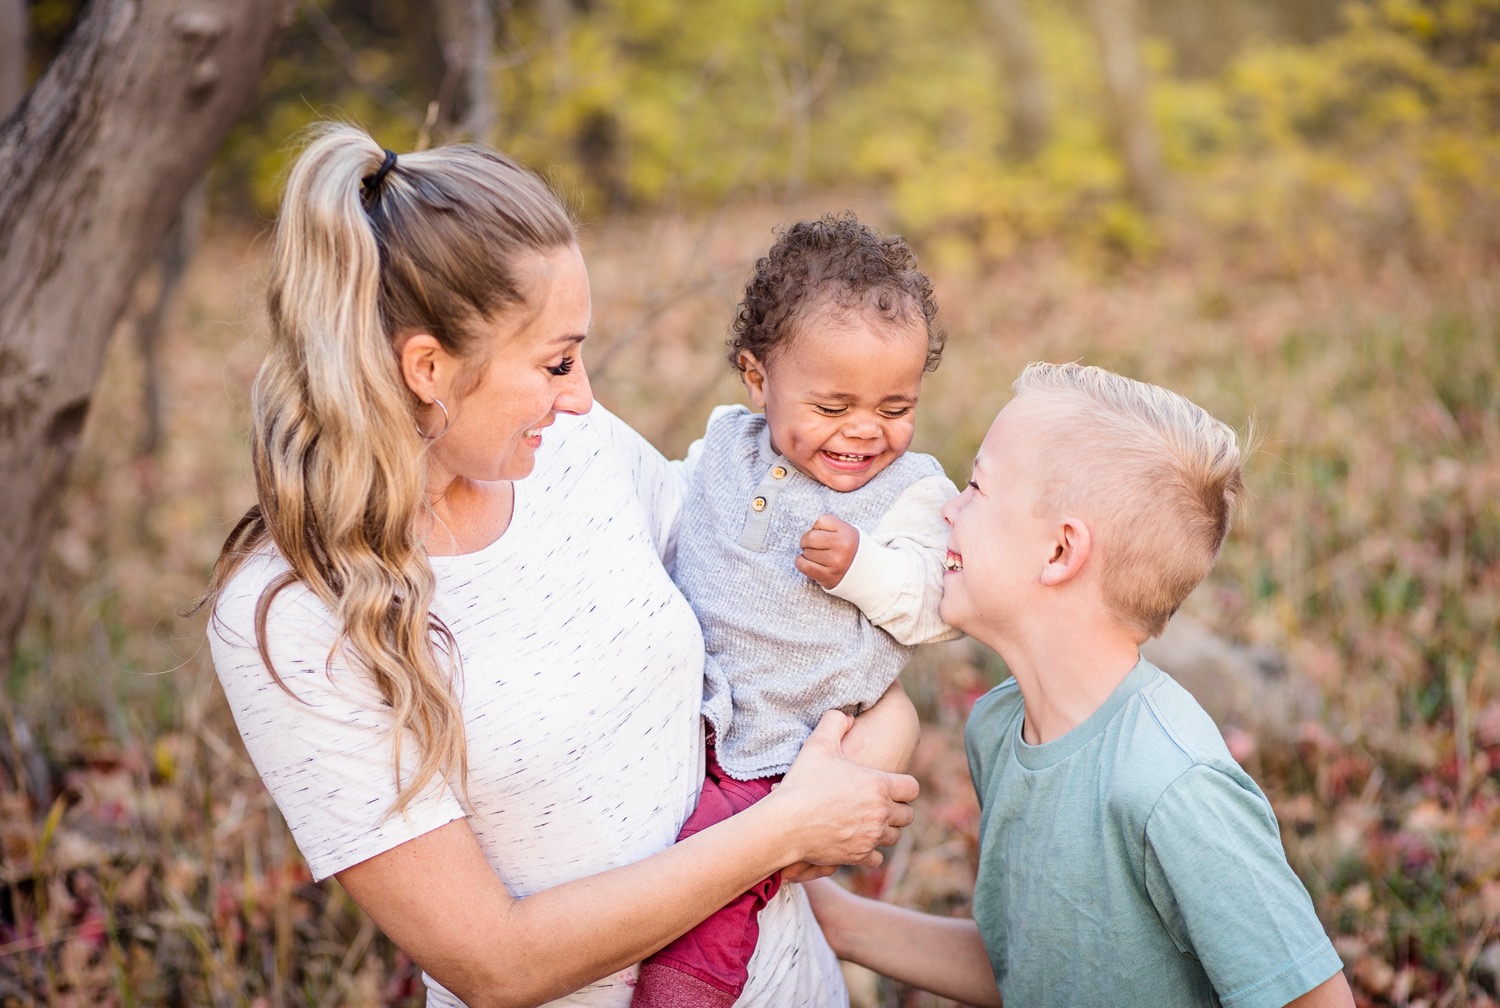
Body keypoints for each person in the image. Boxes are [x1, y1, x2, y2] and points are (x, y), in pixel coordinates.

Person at [203, 123, 920, 1008]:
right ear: (427, 366)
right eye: (555, 362)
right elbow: (494, 963)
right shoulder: (293, 615)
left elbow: (793, 636)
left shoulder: (573, 448)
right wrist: (783, 831)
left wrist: (870, 756)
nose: (582, 395)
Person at [806, 362, 1356, 1008]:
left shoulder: (1171, 788)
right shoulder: (1000, 728)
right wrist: (831, 915)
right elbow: (1035, 968)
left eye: (977, 487)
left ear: (1061, 552)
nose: (949, 508)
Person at [631, 214, 959, 1007]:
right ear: (757, 379)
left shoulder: (912, 493)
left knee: (716, 879)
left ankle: (683, 995)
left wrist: (862, 569)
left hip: (791, 742)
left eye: (893, 405)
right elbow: (667, 515)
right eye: (834, 403)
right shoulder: (723, 449)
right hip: (689, 712)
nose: (863, 430)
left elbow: (934, 605)